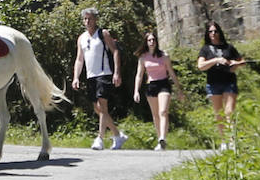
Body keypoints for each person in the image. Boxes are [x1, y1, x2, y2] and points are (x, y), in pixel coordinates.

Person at [71, 8, 126, 150]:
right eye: (85, 19)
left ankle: (99, 139)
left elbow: (115, 52)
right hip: (91, 76)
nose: (87, 21)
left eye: (90, 18)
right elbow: (79, 59)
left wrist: (117, 73)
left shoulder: (103, 34)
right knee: (98, 109)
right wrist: (76, 77)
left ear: (95, 19)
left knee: (102, 106)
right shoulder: (81, 38)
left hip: (104, 73)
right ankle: (117, 135)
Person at [196, 20, 245, 148]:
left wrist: (235, 64)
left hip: (229, 81)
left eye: (215, 31)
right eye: (210, 31)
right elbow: (200, 66)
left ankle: (232, 140)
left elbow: (242, 61)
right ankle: (223, 141)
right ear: (207, 33)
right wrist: (216, 60)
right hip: (213, 83)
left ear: (219, 32)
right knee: (219, 113)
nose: (213, 33)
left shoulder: (228, 47)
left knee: (229, 112)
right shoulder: (205, 49)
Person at [133, 30, 180, 150]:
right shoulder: (143, 58)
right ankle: (160, 140)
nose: (152, 42)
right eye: (149, 40)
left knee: (163, 111)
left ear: (157, 41)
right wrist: (136, 91)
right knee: (155, 115)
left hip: (163, 84)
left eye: (153, 40)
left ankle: (163, 138)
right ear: (146, 42)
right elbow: (139, 75)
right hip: (151, 85)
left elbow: (171, 73)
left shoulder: (164, 56)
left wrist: (179, 89)